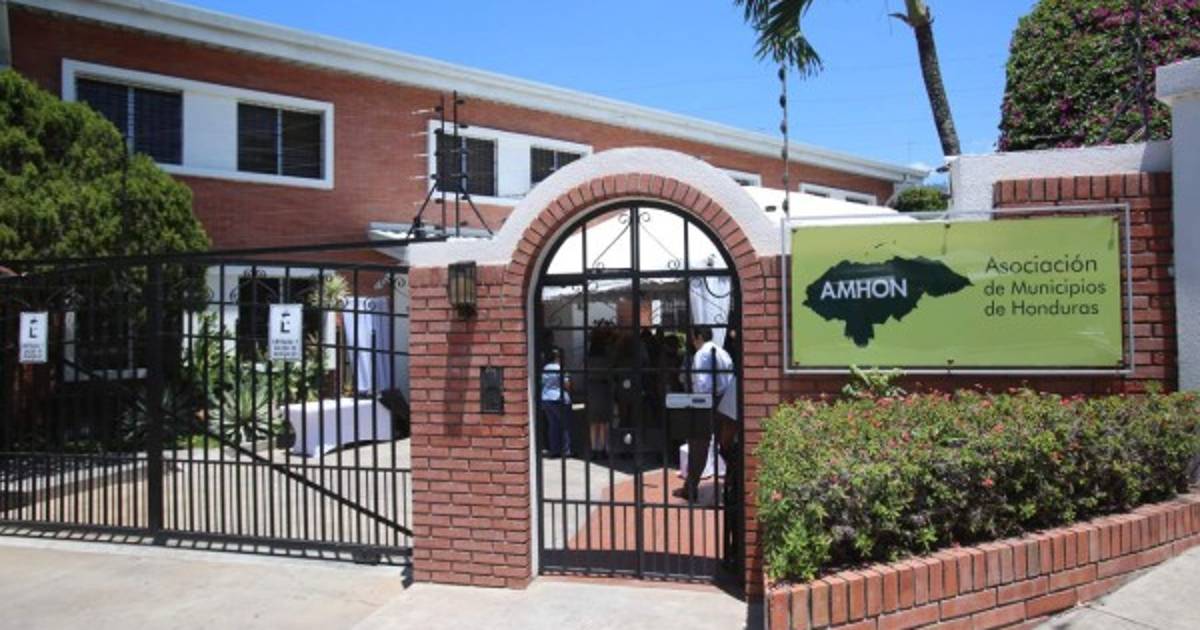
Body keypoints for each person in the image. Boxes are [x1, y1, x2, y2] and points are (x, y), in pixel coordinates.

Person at [677, 325, 738, 503]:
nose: (692, 341)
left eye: (692, 337)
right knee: (725, 445)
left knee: (698, 447)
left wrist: (696, 404)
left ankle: (690, 488)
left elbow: (702, 384)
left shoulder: (702, 354)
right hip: (725, 401)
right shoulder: (722, 352)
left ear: (698, 337)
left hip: (706, 403)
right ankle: (732, 481)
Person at [540, 348, 572, 458]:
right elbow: (566, 384)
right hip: (559, 398)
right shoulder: (560, 368)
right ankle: (566, 450)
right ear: (558, 357)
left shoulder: (545, 368)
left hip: (546, 398)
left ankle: (554, 450)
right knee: (565, 425)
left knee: (553, 425)